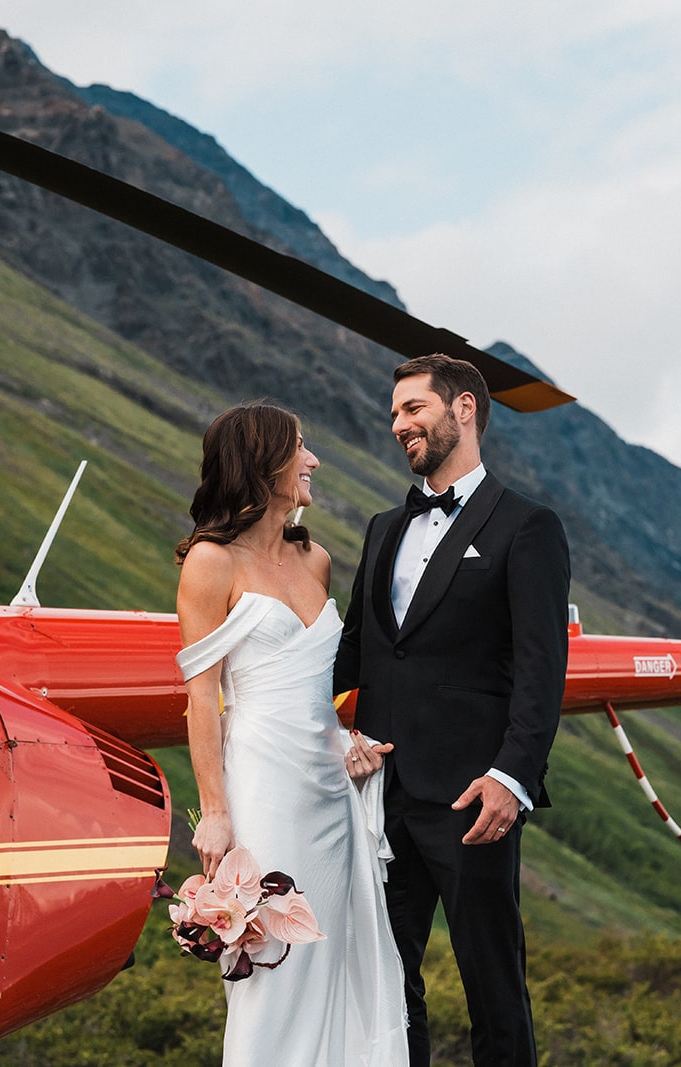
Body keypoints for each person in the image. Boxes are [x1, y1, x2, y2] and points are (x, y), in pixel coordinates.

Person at [335, 354, 570, 1066]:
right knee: (384, 986)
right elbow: (357, 654)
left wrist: (511, 776)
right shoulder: (382, 527)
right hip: (383, 800)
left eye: (414, 408)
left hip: (475, 798)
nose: (400, 423)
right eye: (396, 413)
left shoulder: (528, 526)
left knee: (493, 987)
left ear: (464, 409)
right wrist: (332, 731)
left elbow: (542, 668)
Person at [175, 402, 408, 1066]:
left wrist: (349, 739)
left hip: (329, 790)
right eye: (301, 448)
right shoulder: (210, 564)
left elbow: (319, 689)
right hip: (263, 787)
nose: (313, 461)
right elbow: (201, 698)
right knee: (273, 968)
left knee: (338, 955)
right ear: (264, 462)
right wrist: (215, 813)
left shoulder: (316, 560)